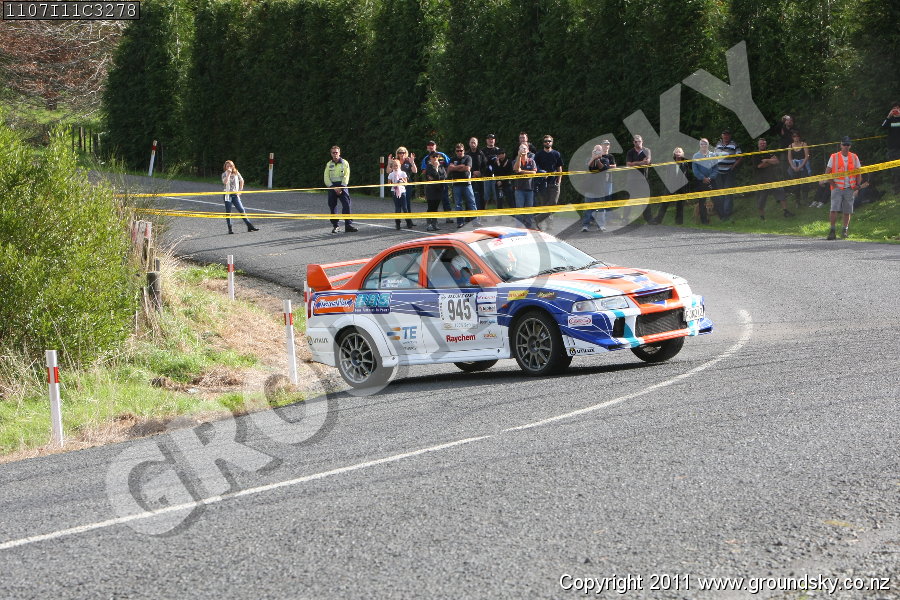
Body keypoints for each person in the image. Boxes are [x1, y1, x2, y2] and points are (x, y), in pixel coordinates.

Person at [825, 137, 861, 240]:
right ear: (841, 145)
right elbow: (827, 173)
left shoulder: (854, 157)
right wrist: (833, 185)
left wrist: (857, 186)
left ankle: (845, 230)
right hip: (837, 187)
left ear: (850, 146)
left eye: (847, 145)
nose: (846, 146)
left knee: (847, 210)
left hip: (850, 187)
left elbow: (858, 173)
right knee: (834, 209)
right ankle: (832, 231)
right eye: (844, 144)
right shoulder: (834, 156)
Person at [752, 138, 793, 220]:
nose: (762, 145)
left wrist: (766, 160)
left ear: (766, 144)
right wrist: (771, 162)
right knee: (761, 200)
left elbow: (777, 161)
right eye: (761, 143)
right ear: (758, 145)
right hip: (761, 181)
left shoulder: (769, 152)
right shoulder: (755, 155)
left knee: (781, 192)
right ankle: (762, 217)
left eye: (764, 143)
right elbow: (760, 166)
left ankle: (786, 212)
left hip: (772, 178)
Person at [581, 141, 615, 232]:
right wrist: (593, 158)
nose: (598, 152)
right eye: (596, 150)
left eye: (599, 150)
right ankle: (585, 225)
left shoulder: (605, 160)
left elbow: (603, 168)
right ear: (593, 151)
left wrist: (598, 159)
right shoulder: (589, 159)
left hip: (600, 187)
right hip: (590, 187)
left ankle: (601, 225)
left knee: (600, 208)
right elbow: (589, 167)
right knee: (588, 208)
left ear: (602, 152)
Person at [324, 146, 357, 234]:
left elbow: (346, 176)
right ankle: (336, 226)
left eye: (336, 152)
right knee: (332, 206)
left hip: (343, 186)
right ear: (331, 154)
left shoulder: (345, 163)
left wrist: (341, 187)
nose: (335, 154)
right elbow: (326, 177)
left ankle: (348, 225)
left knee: (347, 205)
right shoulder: (328, 164)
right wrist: (333, 187)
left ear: (339, 153)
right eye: (333, 153)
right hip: (332, 187)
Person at [221, 160, 259, 234]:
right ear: (225, 167)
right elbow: (225, 182)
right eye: (227, 166)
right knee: (228, 212)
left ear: (233, 166)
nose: (229, 167)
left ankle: (249, 226)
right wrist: (228, 174)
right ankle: (230, 228)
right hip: (227, 195)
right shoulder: (224, 174)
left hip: (235, 194)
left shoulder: (236, 172)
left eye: (231, 166)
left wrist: (240, 190)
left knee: (241, 209)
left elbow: (241, 180)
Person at [652, 147, 689, 225]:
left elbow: (686, 176)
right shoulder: (670, 163)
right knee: (664, 203)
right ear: (674, 154)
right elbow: (667, 175)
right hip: (671, 185)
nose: (678, 153)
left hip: (681, 186)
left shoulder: (685, 164)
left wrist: (686, 190)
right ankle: (658, 220)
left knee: (680, 204)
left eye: (679, 152)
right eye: (676, 152)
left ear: (682, 154)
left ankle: (679, 222)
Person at [533, 134, 564, 226]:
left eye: (549, 141)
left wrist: (559, 180)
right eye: (546, 141)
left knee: (553, 203)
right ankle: (549, 224)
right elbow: (535, 168)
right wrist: (541, 173)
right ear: (543, 143)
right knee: (545, 204)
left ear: (552, 142)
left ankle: (537, 219)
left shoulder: (556, 154)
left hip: (554, 182)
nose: (547, 142)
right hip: (542, 183)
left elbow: (559, 167)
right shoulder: (538, 154)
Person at [448, 143, 480, 228]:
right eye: (457, 151)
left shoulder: (468, 157)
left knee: (472, 203)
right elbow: (450, 169)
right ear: (455, 151)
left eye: (461, 150)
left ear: (464, 150)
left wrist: (455, 168)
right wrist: (461, 166)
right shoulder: (452, 159)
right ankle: (460, 222)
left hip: (467, 184)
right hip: (456, 185)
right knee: (458, 204)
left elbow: (467, 168)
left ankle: (475, 221)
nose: (459, 152)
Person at [420, 140, 453, 223]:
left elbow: (450, 165)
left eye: (432, 145)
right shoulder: (426, 158)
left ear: (435, 146)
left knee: (445, 199)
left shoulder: (442, 155)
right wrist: (431, 172)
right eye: (429, 145)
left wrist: (445, 175)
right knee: (432, 202)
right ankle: (431, 220)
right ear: (427, 147)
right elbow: (424, 171)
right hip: (432, 185)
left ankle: (448, 217)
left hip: (442, 182)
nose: (431, 146)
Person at [713, 129, 742, 221]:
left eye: (727, 135)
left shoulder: (734, 144)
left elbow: (740, 156)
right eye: (724, 135)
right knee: (720, 193)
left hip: (729, 172)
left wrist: (734, 166)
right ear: (722, 136)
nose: (726, 136)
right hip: (718, 172)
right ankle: (721, 214)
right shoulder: (718, 144)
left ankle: (727, 214)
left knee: (728, 193)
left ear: (730, 136)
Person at [625, 135, 652, 223]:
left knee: (646, 198)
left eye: (639, 141)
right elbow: (628, 164)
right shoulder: (630, 152)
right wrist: (641, 162)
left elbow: (647, 162)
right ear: (633, 142)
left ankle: (648, 218)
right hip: (632, 179)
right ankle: (625, 219)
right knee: (629, 199)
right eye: (636, 141)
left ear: (642, 141)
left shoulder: (647, 150)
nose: (638, 143)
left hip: (644, 178)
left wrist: (634, 163)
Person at [512, 143, 538, 229]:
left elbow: (534, 173)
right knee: (519, 209)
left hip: (529, 189)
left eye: (525, 148)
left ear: (528, 150)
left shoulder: (532, 161)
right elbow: (516, 169)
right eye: (521, 148)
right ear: (518, 150)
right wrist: (519, 157)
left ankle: (529, 227)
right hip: (519, 189)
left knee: (529, 209)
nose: (523, 150)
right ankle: (519, 227)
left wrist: (522, 171)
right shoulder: (515, 161)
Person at [691, 138, 716, 224]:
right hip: (700, 182)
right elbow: (695, 170)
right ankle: (704, 220)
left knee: (715, 199)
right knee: (702, 201)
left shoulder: (713, 155)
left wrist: (710, 178)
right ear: (700, 145)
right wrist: (703, 178)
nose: (703, 145)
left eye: (705, 144)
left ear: (708, 145)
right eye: (702, 144)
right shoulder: (695, 156)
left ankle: (716, 219)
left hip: (712, 180)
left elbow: (716, 168)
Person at [387, 159, 414, 230]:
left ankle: (408, 222)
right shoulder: (391, 174)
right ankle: (398, 223)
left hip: (402, 191)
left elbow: (406, 183)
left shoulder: (403, 173)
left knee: (405, 207)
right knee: (397, 208)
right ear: (392, 167)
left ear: (399, 166)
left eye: (397, 165)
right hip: (394, 191)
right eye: (394, 166)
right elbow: (389, 184)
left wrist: (402, 180)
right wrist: (394, 184)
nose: (395, 167)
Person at [787, 130, 811, 207]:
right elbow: (789, 158)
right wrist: (793, 167)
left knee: (805, 183)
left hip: (803, 165)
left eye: (797, 136)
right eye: (794, 136)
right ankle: (797, 202)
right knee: (796, 185)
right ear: (792, 137)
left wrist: (801, 166)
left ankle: (805, 200)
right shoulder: (790, 146)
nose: (796, 137)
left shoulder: (804, 144)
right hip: (794, 165)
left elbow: (807, 156)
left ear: (799, 137)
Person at [424, 152, 448, 231]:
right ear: (430, 158)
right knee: (430, 207)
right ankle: (429, 224)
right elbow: (433, 177)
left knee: (436, 207)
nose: (435, 158)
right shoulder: (429, 167)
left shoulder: (441, 166)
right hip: (431, 190)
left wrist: (437, 176)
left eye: (436, 156)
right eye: (433, 157)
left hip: (439, 189)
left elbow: (444, 176)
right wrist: (436, 169)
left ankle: (434, 223)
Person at [881, 101, 900, 193]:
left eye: (897, 108)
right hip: (892, 149)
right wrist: (888, 117)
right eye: (894, 109)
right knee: (894, 169)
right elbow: (883, 127)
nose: (895, 110)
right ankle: (896, 188)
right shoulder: (890, 120)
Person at [481, 134, 502, 210]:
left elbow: (501, 162)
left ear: (494, 140)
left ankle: (499, 213)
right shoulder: (483, 151)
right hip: (486, 175)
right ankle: (483, 212)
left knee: (497, 196)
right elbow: (483, 162)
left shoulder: (498, 150)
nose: (491, 140)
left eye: (492, 139)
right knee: (486, 196)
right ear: (486, 140)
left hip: (496, 176)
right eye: (489, 139)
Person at [466, 137, 487, 210]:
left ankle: (481, 212)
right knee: (469, 196)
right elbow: (465, 166)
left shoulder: (481, 153)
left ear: (477, 144)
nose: (473, 144)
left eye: (474, 142)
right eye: (471, 142)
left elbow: (485, 165)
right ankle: (469, 214)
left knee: (481, 197)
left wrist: (480, 173)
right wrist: (472, 173)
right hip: (469, 179)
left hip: (480, 179)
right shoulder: (466, 154)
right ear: (469, 144)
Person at [494, 148, 513, 216]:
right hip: (498, 184)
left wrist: (502, 181)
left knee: (510, 199)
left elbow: (509, 173)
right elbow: (495, 173)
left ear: (504, 154)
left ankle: (513, 214)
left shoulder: (509, 162)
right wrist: (498, 181)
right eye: (499, 154)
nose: (500, 155)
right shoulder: (496, 162)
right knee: (499, 200)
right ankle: (500, 215)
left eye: (502, 153)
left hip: (507, 183)